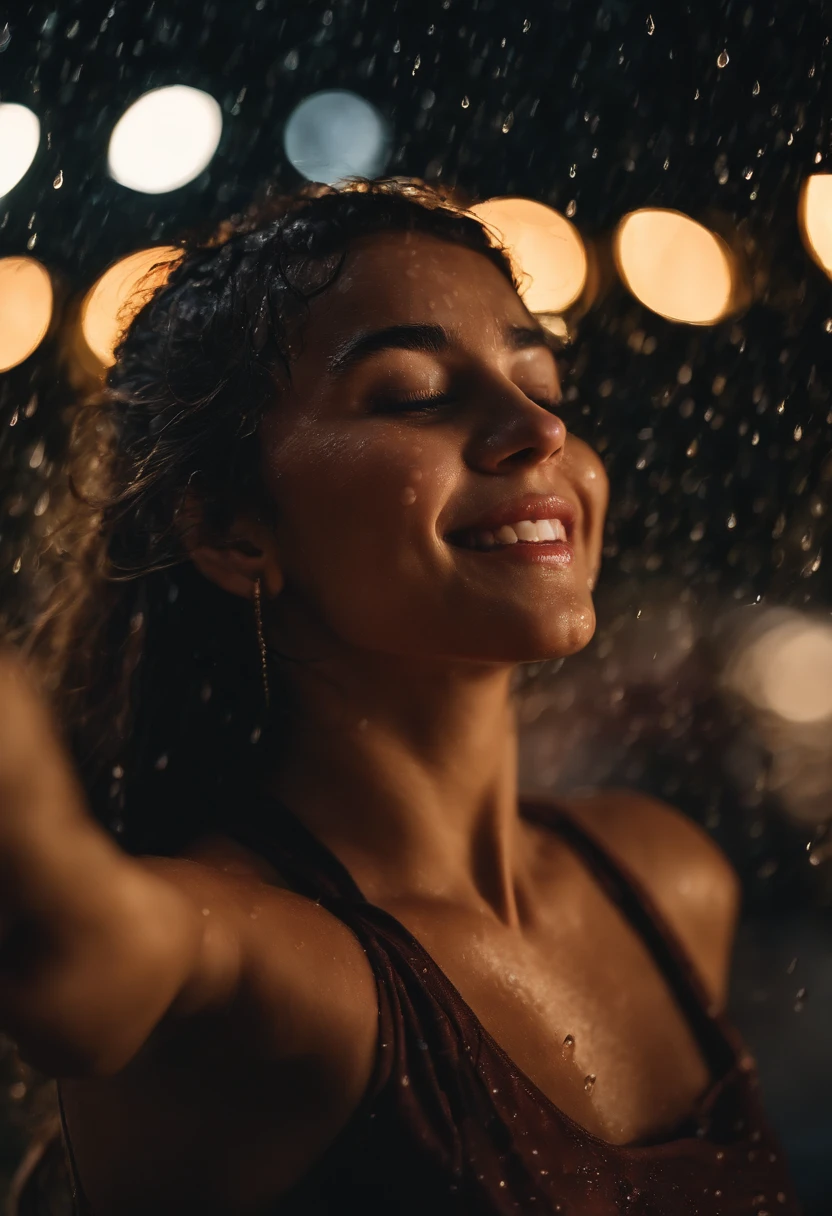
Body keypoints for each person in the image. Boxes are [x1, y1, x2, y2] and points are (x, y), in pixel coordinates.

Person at [1, 179, 799, 1215]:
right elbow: (71, 959)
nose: (535, 430)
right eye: (415, 392)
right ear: (234, 533)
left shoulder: (669, 879)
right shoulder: (261, 965)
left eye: (542, 381)